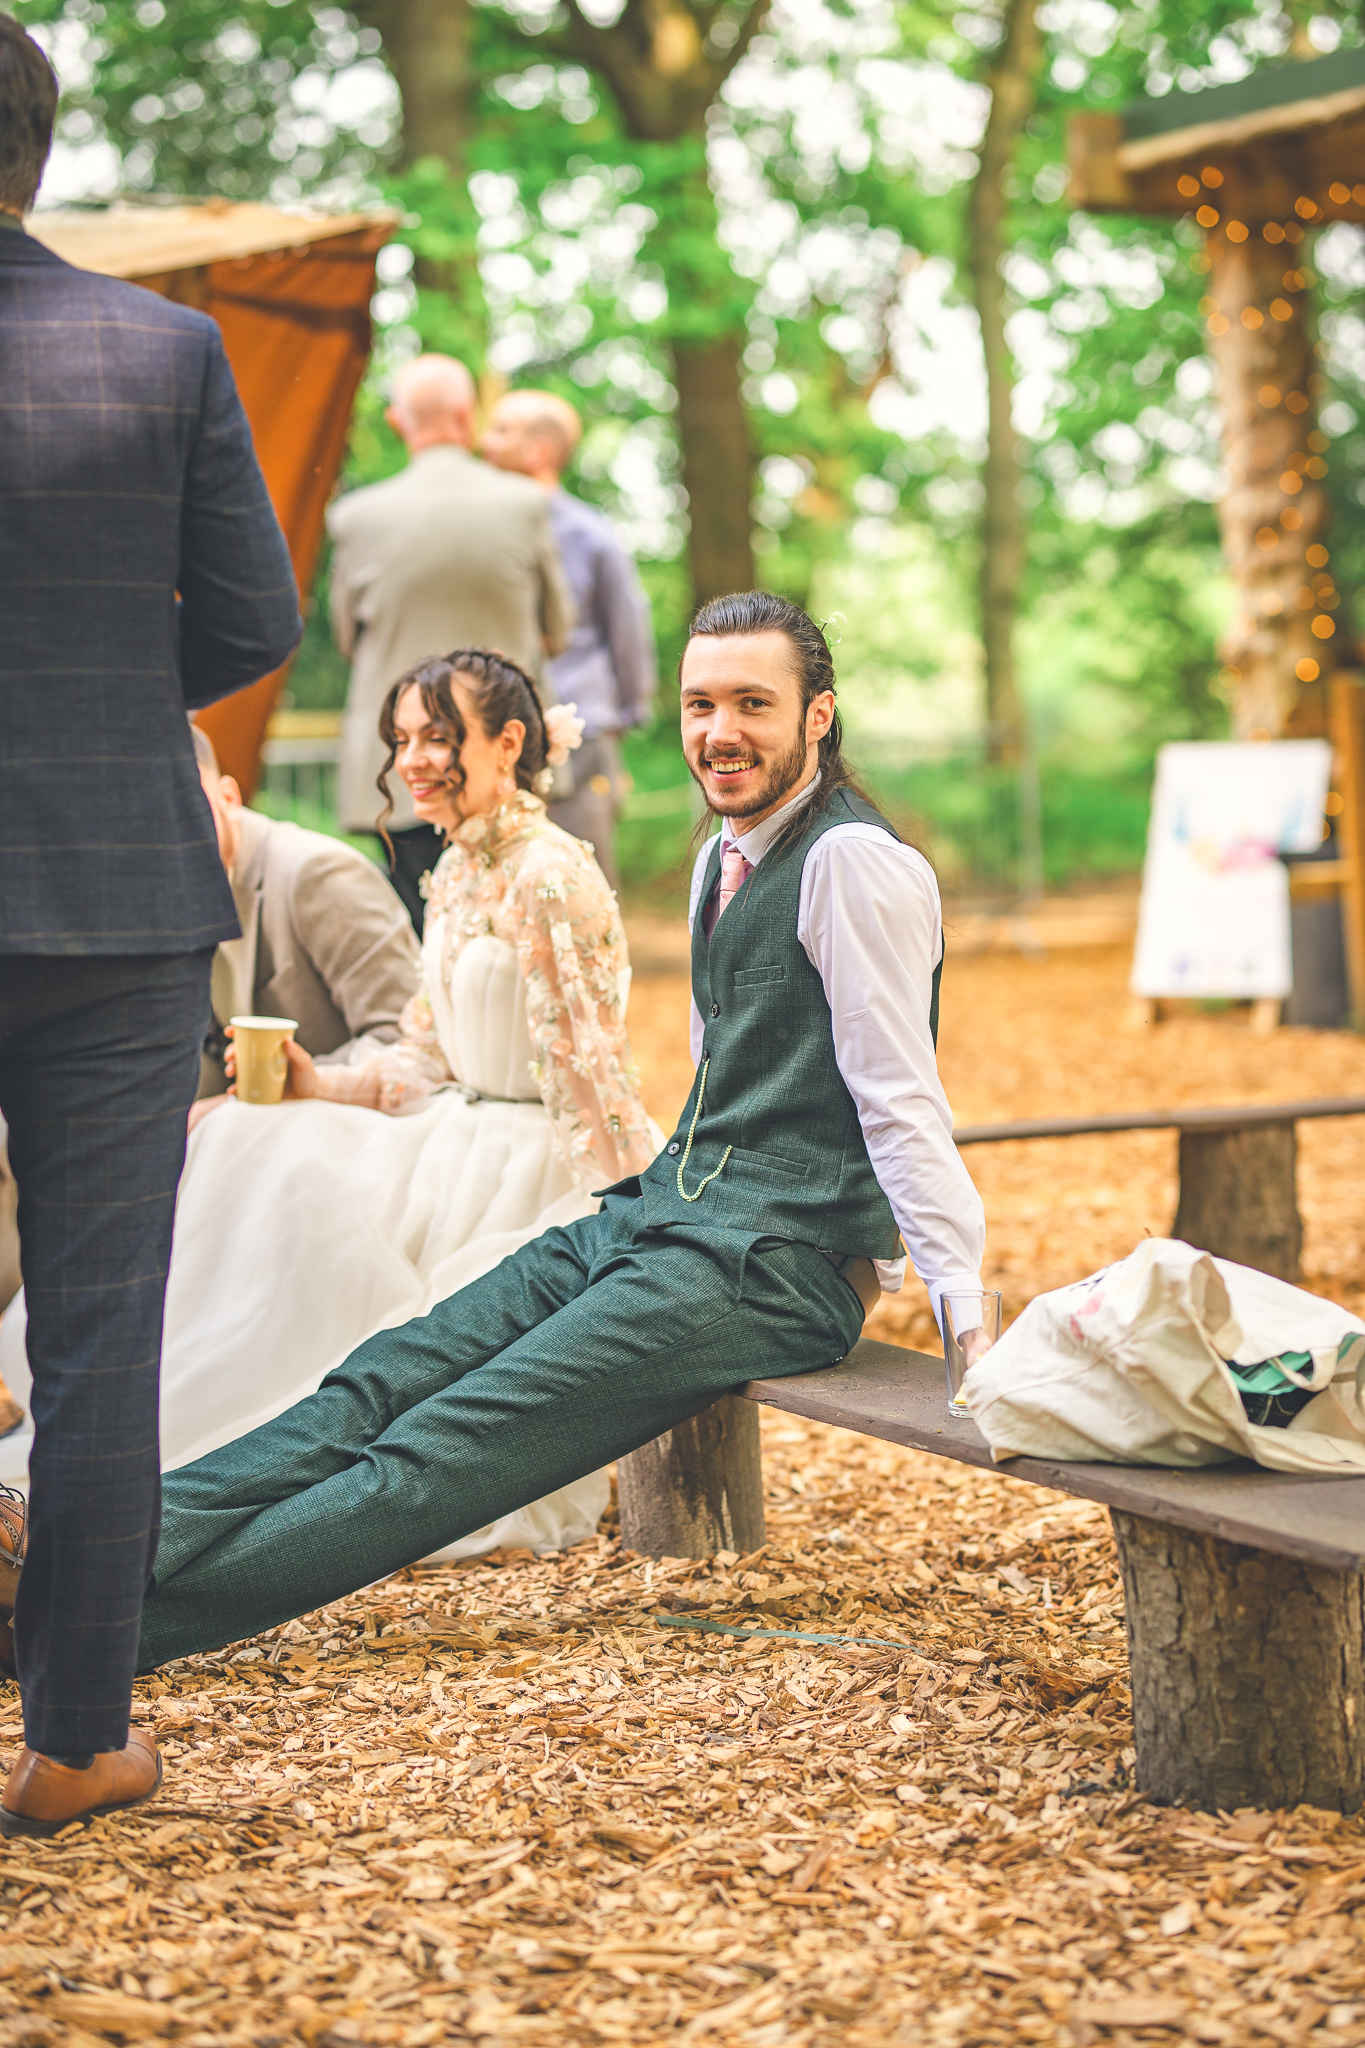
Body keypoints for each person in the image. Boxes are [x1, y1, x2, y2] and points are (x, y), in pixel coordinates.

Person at [38, 592, 986, 1677]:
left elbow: (900, 1098)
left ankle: (84, 1630)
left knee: (443, 1450)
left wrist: (968, 1319)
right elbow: (727, 1070)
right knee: (382, 1375)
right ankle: (79, 1553)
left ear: (818, 715)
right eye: (700, 704)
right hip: (666, 1214)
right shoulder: (723, 855)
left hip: (776, 1264)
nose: (720, 731)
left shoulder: (853, 862)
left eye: (752, 704)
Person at [0, 651, 657, 1573]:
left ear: (508, 742)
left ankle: (244, 1491)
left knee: (309, 1199)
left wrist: (637, 1207)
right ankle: (134, 1434)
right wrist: (315, 1083)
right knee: (248, 1134)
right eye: (401, 739)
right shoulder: (458, 864)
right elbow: (422, 1051)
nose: (411, 760)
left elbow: (591, 1069)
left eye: (437, 737)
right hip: (453, 1125)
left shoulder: (550, 873)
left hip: (533, 1155)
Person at [0, 18, 301, 1836]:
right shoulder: (162, 345)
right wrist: (112, 694)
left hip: (105, 896)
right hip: (116, 898)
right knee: (101, 1332)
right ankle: (75, 1740)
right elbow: (254, 617)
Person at [327, 356, 575, 933]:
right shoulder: (524, 504)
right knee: (513, 927)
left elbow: (346, 639)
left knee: (421, 929)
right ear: (468, 417)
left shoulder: (356, 517)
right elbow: (560, 628)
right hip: (504, 764)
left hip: (400, 772)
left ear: (397, 422)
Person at [482, 390, 656, 889]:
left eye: (500, 430)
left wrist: (624, 716)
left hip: (581, 733)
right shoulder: (479, 531)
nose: (484, 442)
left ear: (539, 450)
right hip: (496, 733)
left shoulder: (589, 535)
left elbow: (627, 628)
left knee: (585, 879)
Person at [189, 726, 420, 1100]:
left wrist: (243, 1102)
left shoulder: (320, 875)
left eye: (187, 813)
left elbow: (405, 1038)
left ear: (229, 797)